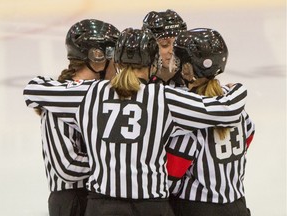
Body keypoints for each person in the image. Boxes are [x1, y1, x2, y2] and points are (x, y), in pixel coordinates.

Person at [24, 28, 248, 216]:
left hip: (102, 207)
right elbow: (226, 111)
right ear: (152, 64)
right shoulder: (162, 97)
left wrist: (62, 84)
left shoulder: (89, 93)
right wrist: (238, 89)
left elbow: (32, 89)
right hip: (151, 206)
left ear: (119, 61)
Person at [32, 19, 120, 216]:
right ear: (96, 57)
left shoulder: (101, 94)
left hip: (97, 195)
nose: (118, 62)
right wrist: (119, 163)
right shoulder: (60, 100)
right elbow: (66, 167)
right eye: (114, 55)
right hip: (73, 201)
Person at [166, 28, 255, 216]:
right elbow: (249, 132)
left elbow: (173, 171)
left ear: (188, 68)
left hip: (196, 208)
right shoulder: (231, 102)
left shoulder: (190, 111)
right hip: (237, 205)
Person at [142, 9, 187, 88]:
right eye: (164, 44)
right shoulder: (138, 84)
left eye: (177, 44)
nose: (172, 51)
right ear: (150, 47)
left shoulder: (191, 82)